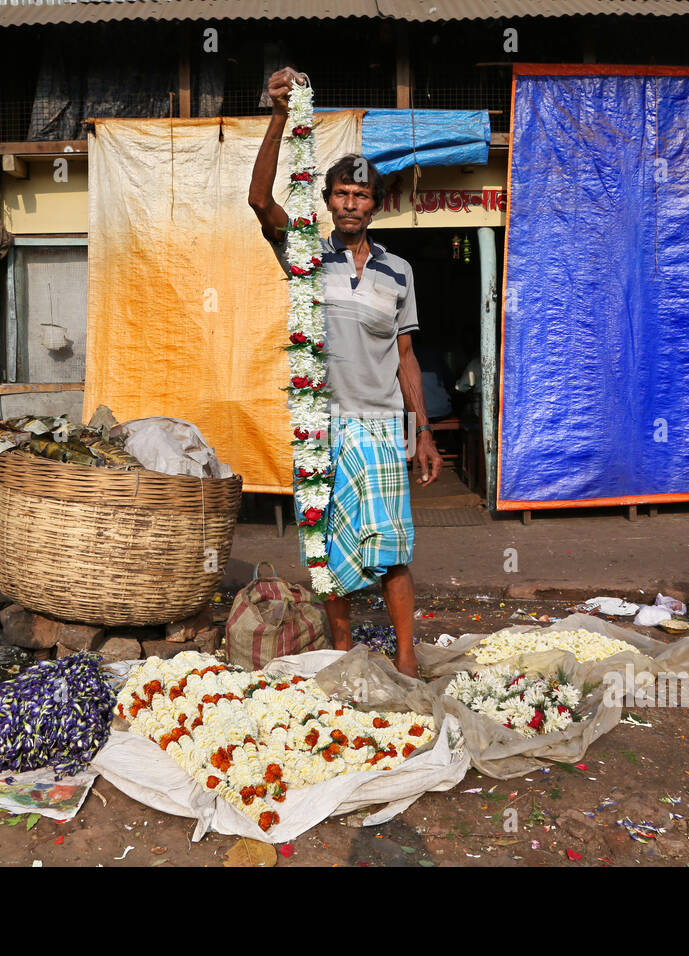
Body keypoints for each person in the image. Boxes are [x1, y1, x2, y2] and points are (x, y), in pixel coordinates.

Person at [249, 66, 440, 678]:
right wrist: (280, 116)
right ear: (327, 201)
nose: (350, 204)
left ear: (374, 207)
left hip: (382, 424)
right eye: (340, 195)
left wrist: (425, 432)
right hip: (322, 425)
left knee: (392, 546)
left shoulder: (399, 271)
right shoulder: (306, 253)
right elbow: (259, 200)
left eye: (360, 196)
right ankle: (341, 654)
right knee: (329, 548)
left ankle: (406, 656)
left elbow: (407, 356)